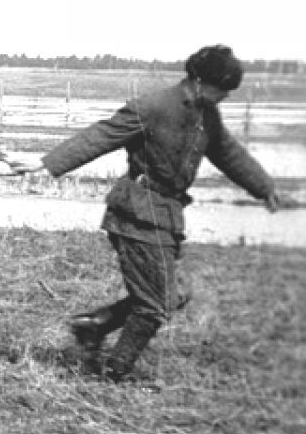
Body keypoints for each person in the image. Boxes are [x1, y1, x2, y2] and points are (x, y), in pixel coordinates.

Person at [14, 45, 280, 382]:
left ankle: (94, 326)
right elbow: (100, 136)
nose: (224, 97)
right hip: (135, 214)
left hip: (166, 216)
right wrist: (44, 163)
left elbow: (229, 153)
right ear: (198, 81)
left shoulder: (207, 114)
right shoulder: (152, 107)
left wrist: (265, 188)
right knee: (156, 305)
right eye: (220, 89)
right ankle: (113, 374)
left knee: (174, 294)